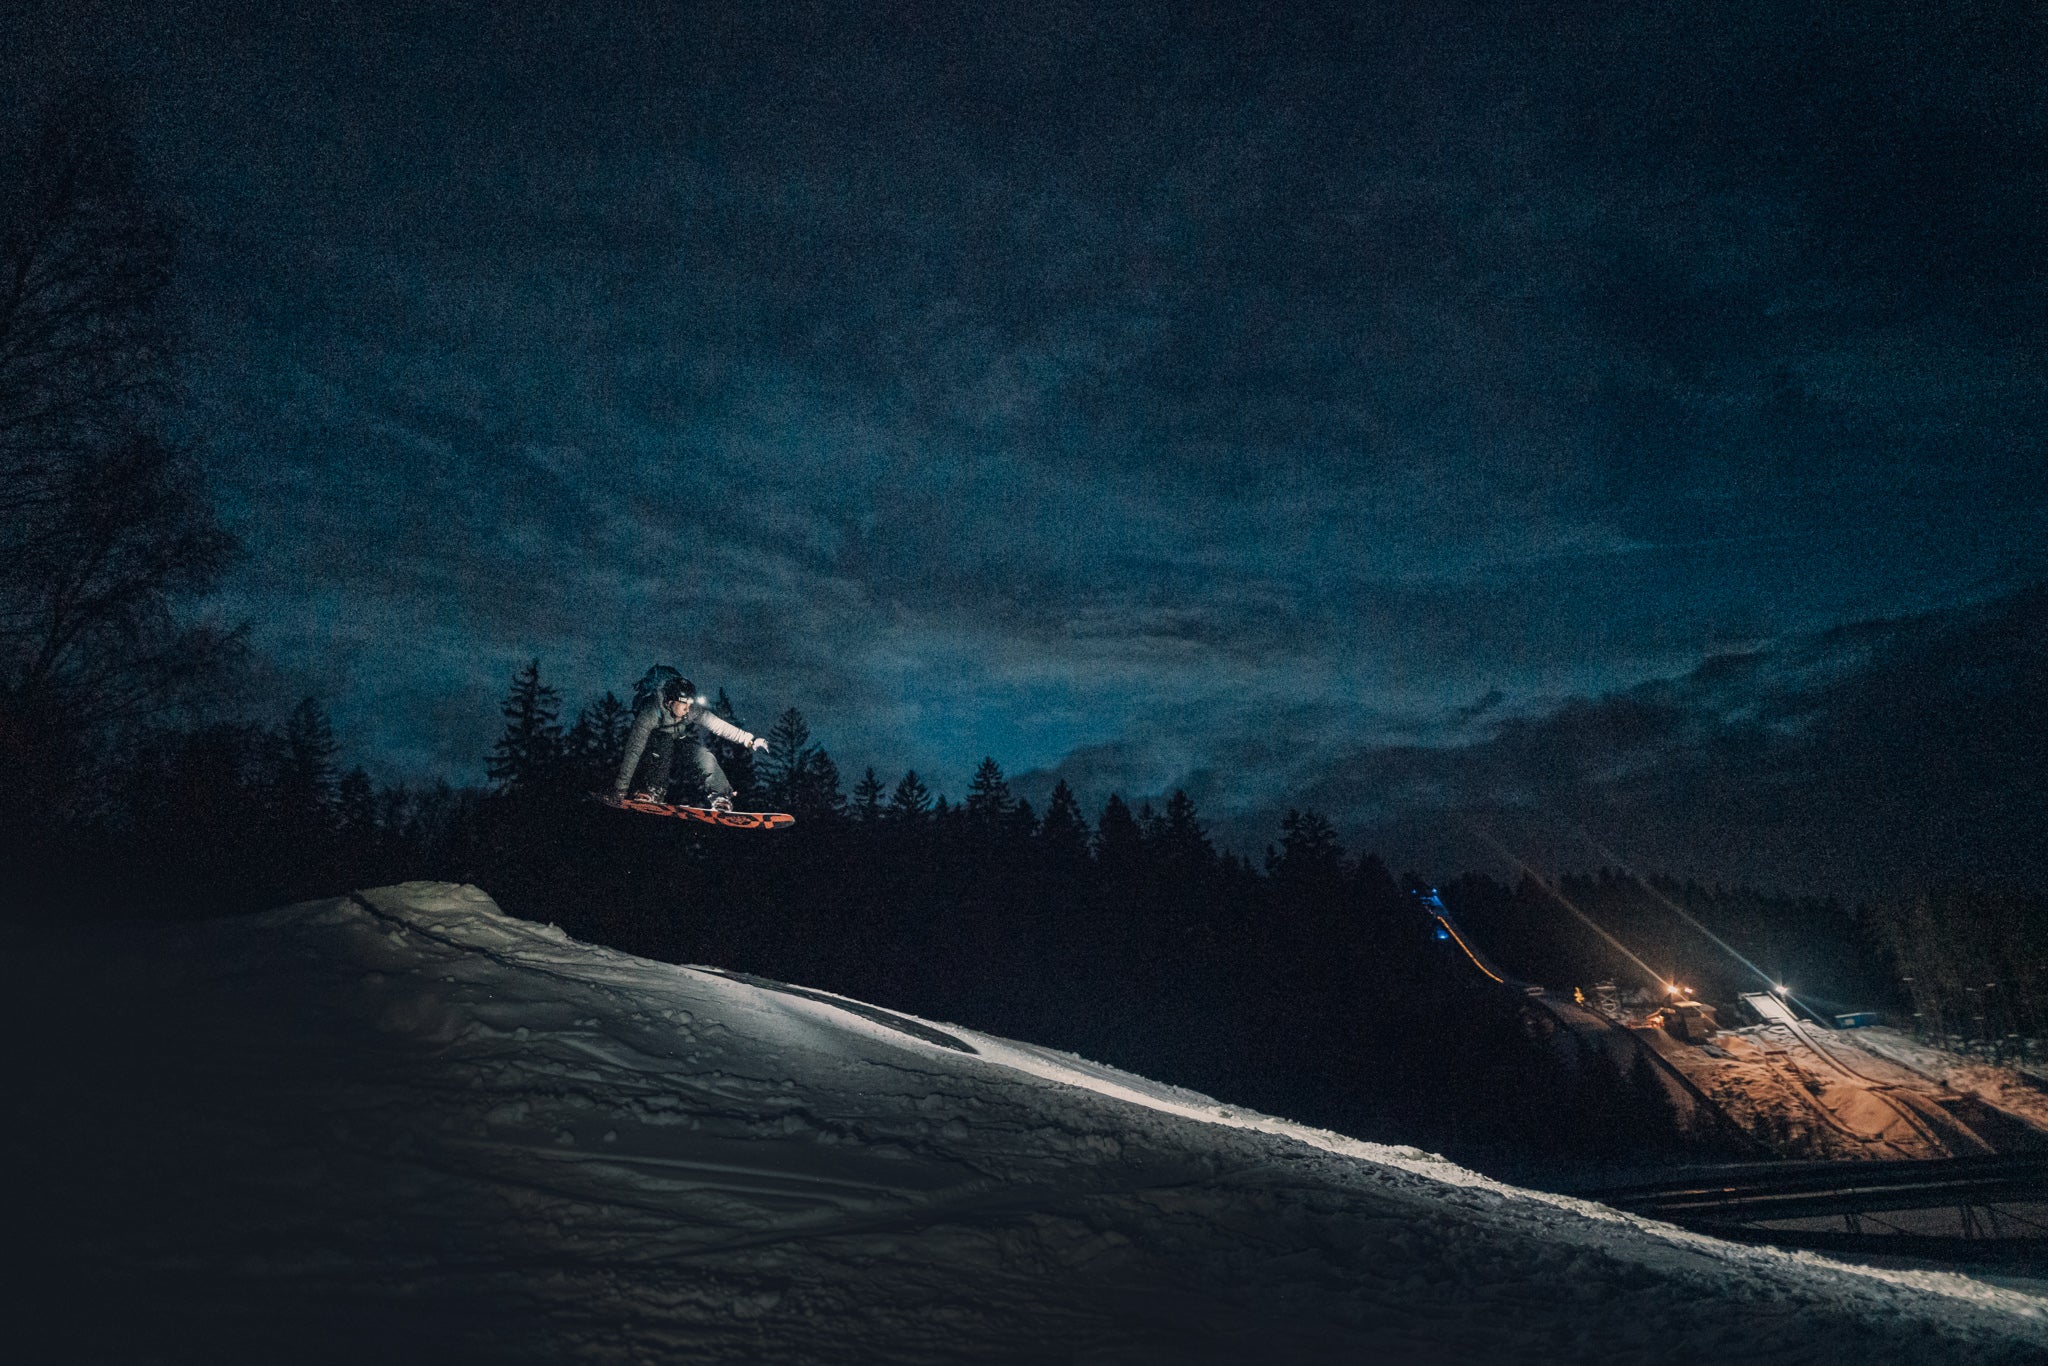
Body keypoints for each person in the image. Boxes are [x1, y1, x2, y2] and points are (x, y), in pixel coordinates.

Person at [611, 671, 769, 811]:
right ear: (670, 703)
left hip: (678, 740)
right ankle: (652, 789)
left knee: (702, 754)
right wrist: (620, 789)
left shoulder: (690, 710)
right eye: (683, 704)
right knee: (663, 745)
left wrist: (750, 740)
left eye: (690, 704)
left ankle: (720, 795)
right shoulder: (650, 713)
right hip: (652, 748)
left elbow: (717, 725)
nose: (687, 709)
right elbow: (634, 751)